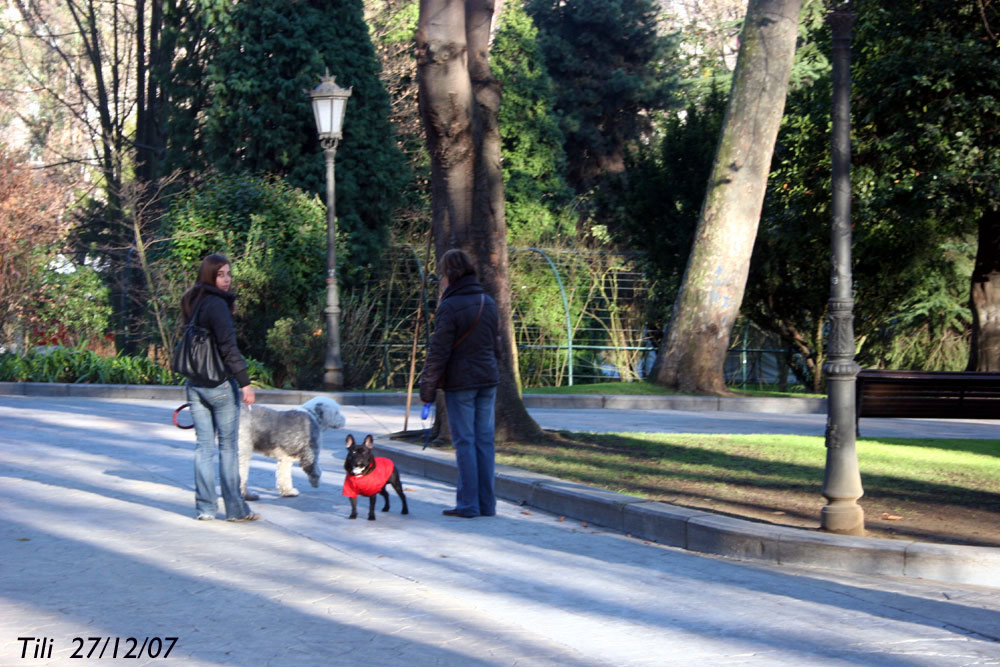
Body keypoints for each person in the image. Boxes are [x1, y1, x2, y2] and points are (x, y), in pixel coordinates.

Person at [419, 248, 500, 518]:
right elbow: (495, 344)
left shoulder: (450, 306)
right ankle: (487, 505)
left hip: (461, 383)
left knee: (465, 442)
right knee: (484, 442)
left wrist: (427, 388)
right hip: (488, 380)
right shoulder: (487, 302)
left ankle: (468, 505)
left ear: (449, 275)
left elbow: (438, 352)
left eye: (442, 274)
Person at [179, 253, 260, 522]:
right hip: (219, 386)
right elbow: (228, 347)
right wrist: (245, 383)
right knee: (227, 448)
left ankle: (205, 508)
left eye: (228, 274)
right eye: (221, 274)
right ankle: (235, 509)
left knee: (203, 447)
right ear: (209, 275)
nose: (226, 280)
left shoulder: (192, 300)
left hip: (195, 385)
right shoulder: (217, 305)